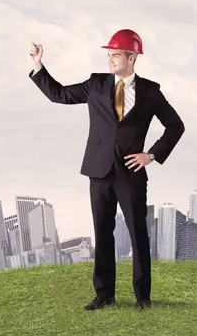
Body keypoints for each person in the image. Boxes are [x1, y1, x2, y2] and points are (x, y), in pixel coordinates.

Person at [28, 29, 185, 310]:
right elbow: (59, 95)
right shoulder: (96, 84)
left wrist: (150, 155)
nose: (110, 59)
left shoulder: (150, 92)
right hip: (99, 171)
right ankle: (104, 295)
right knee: (102, 232)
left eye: (115, 54)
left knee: (138, 234)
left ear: (132, 57)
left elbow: (176, 126)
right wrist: (39, 66)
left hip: (131, 174)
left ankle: (142, 297)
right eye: (109, 54)